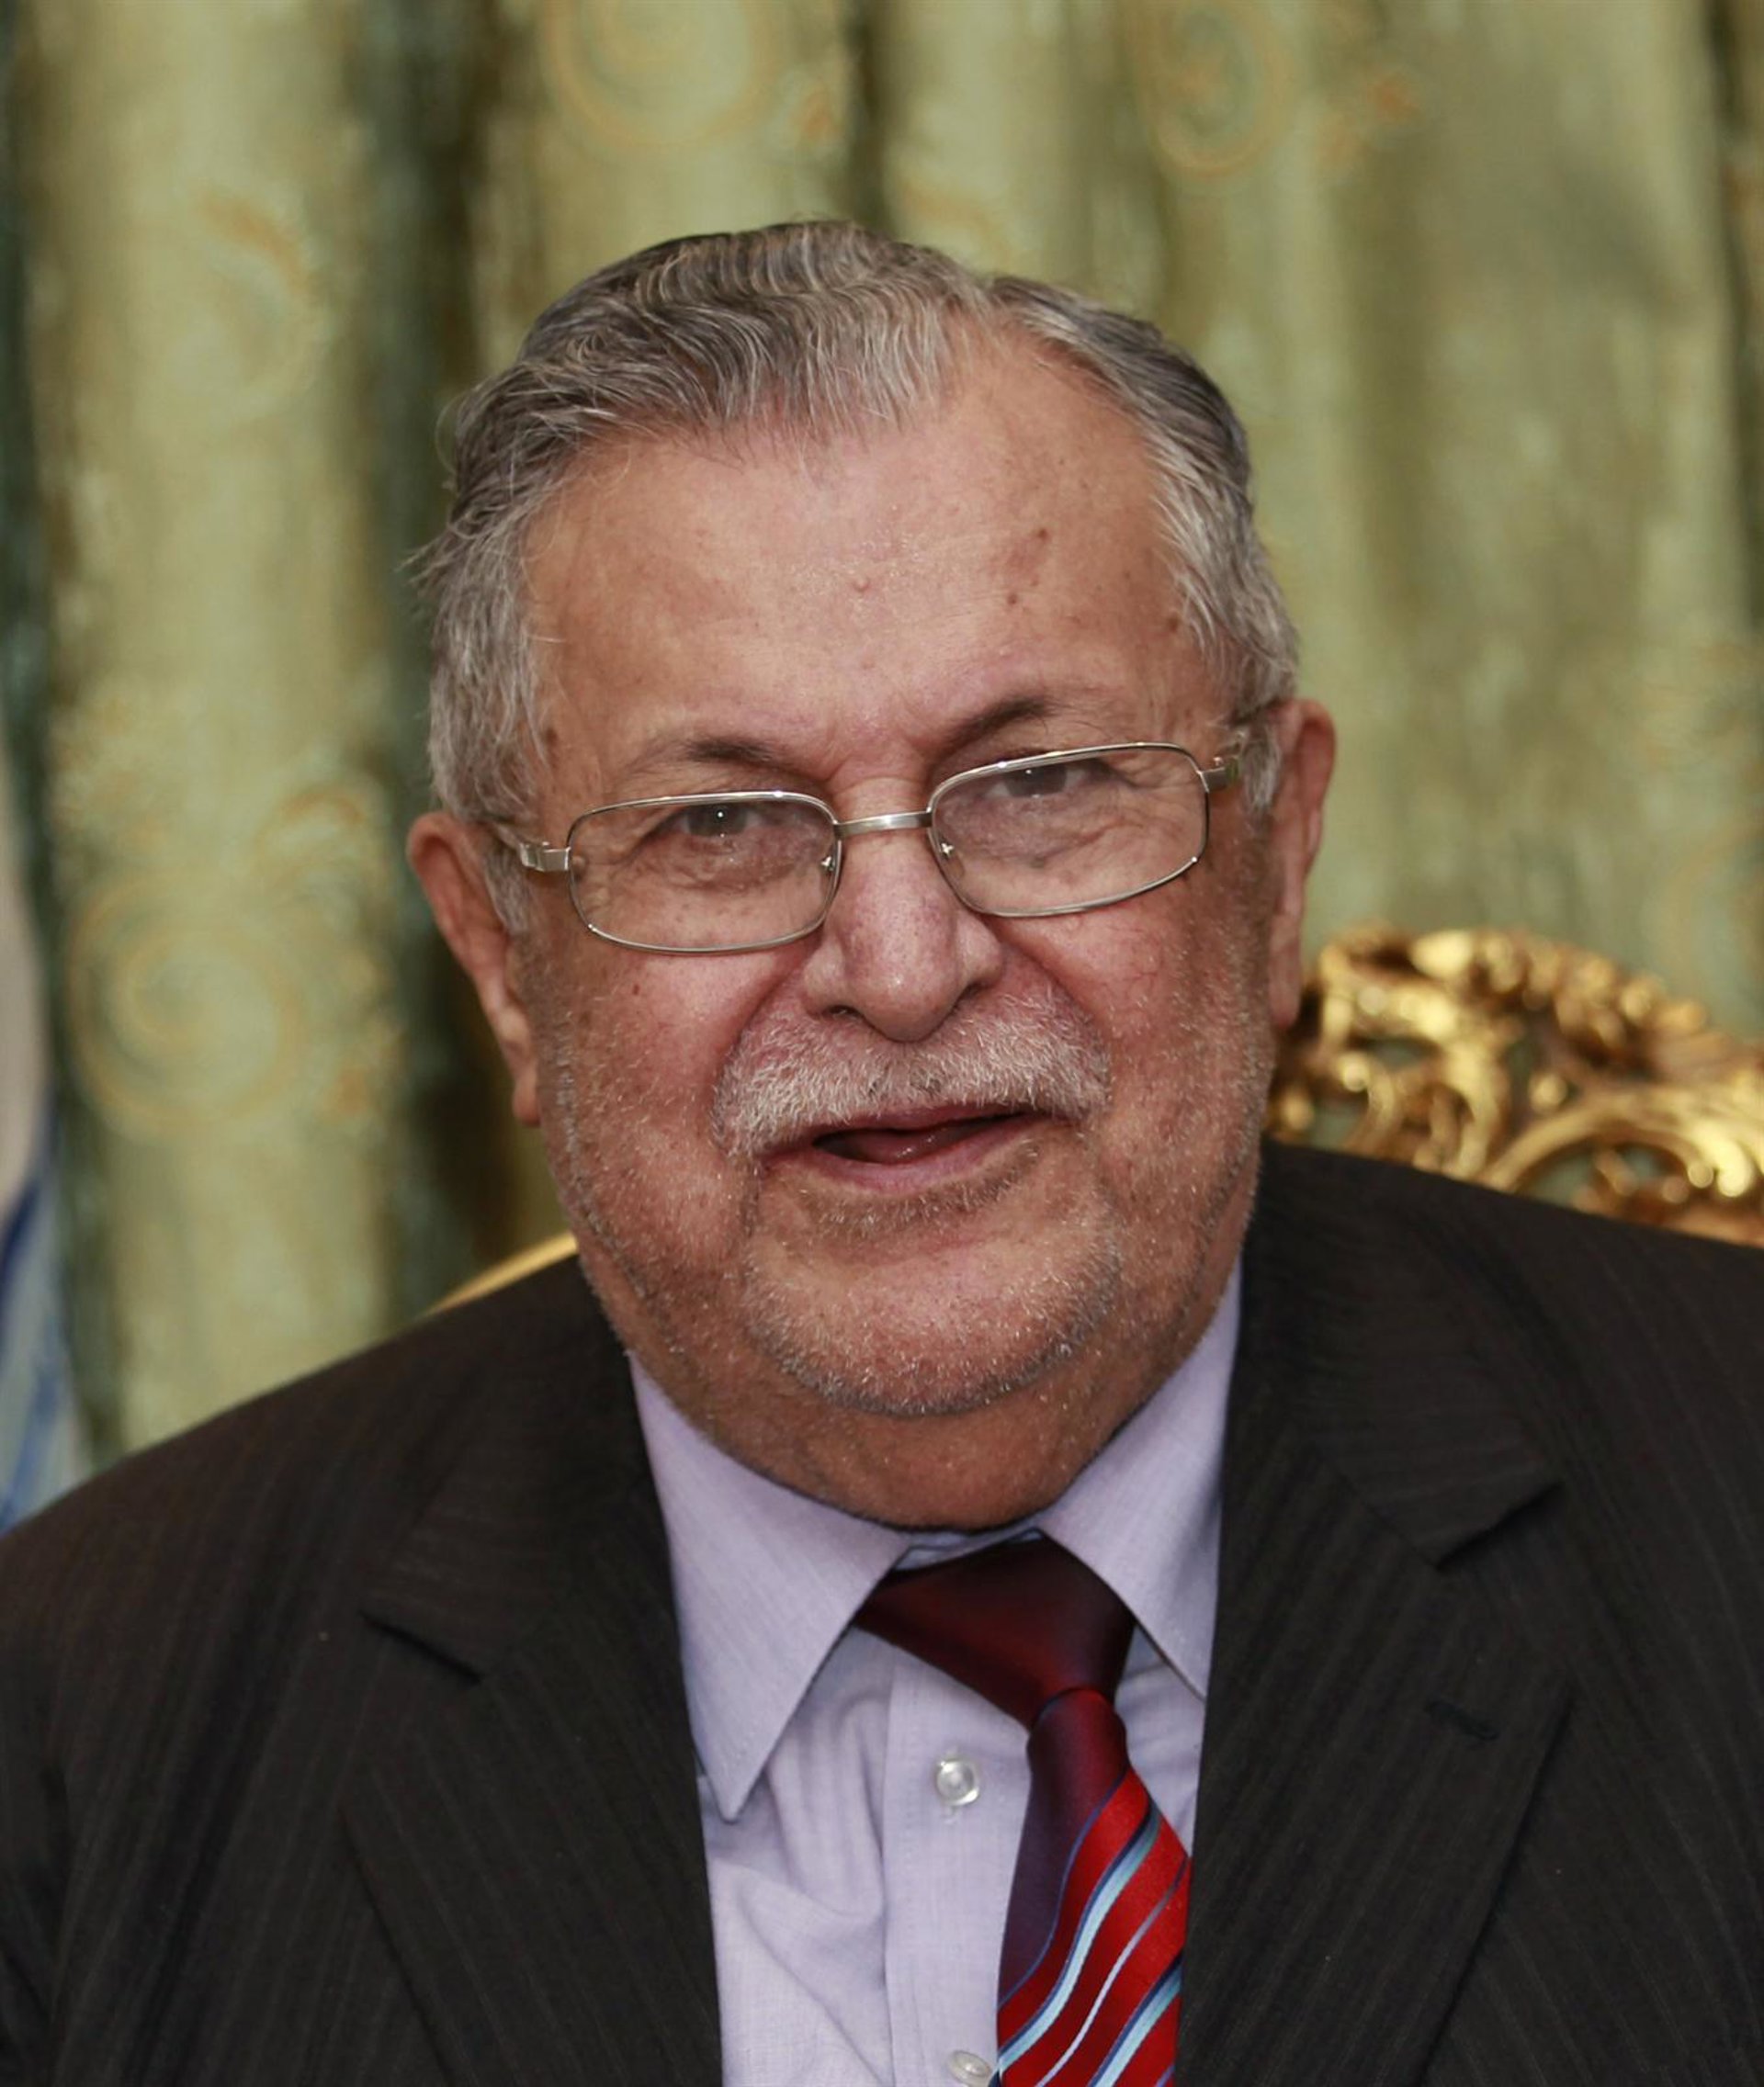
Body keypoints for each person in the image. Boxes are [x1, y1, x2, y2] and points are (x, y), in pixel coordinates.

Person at [1, 222, 1760, 2087]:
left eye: (1042, 784)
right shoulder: (89, 1722)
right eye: (721, 826)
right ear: (504, 962)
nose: (905, 968)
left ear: (1273, 856)